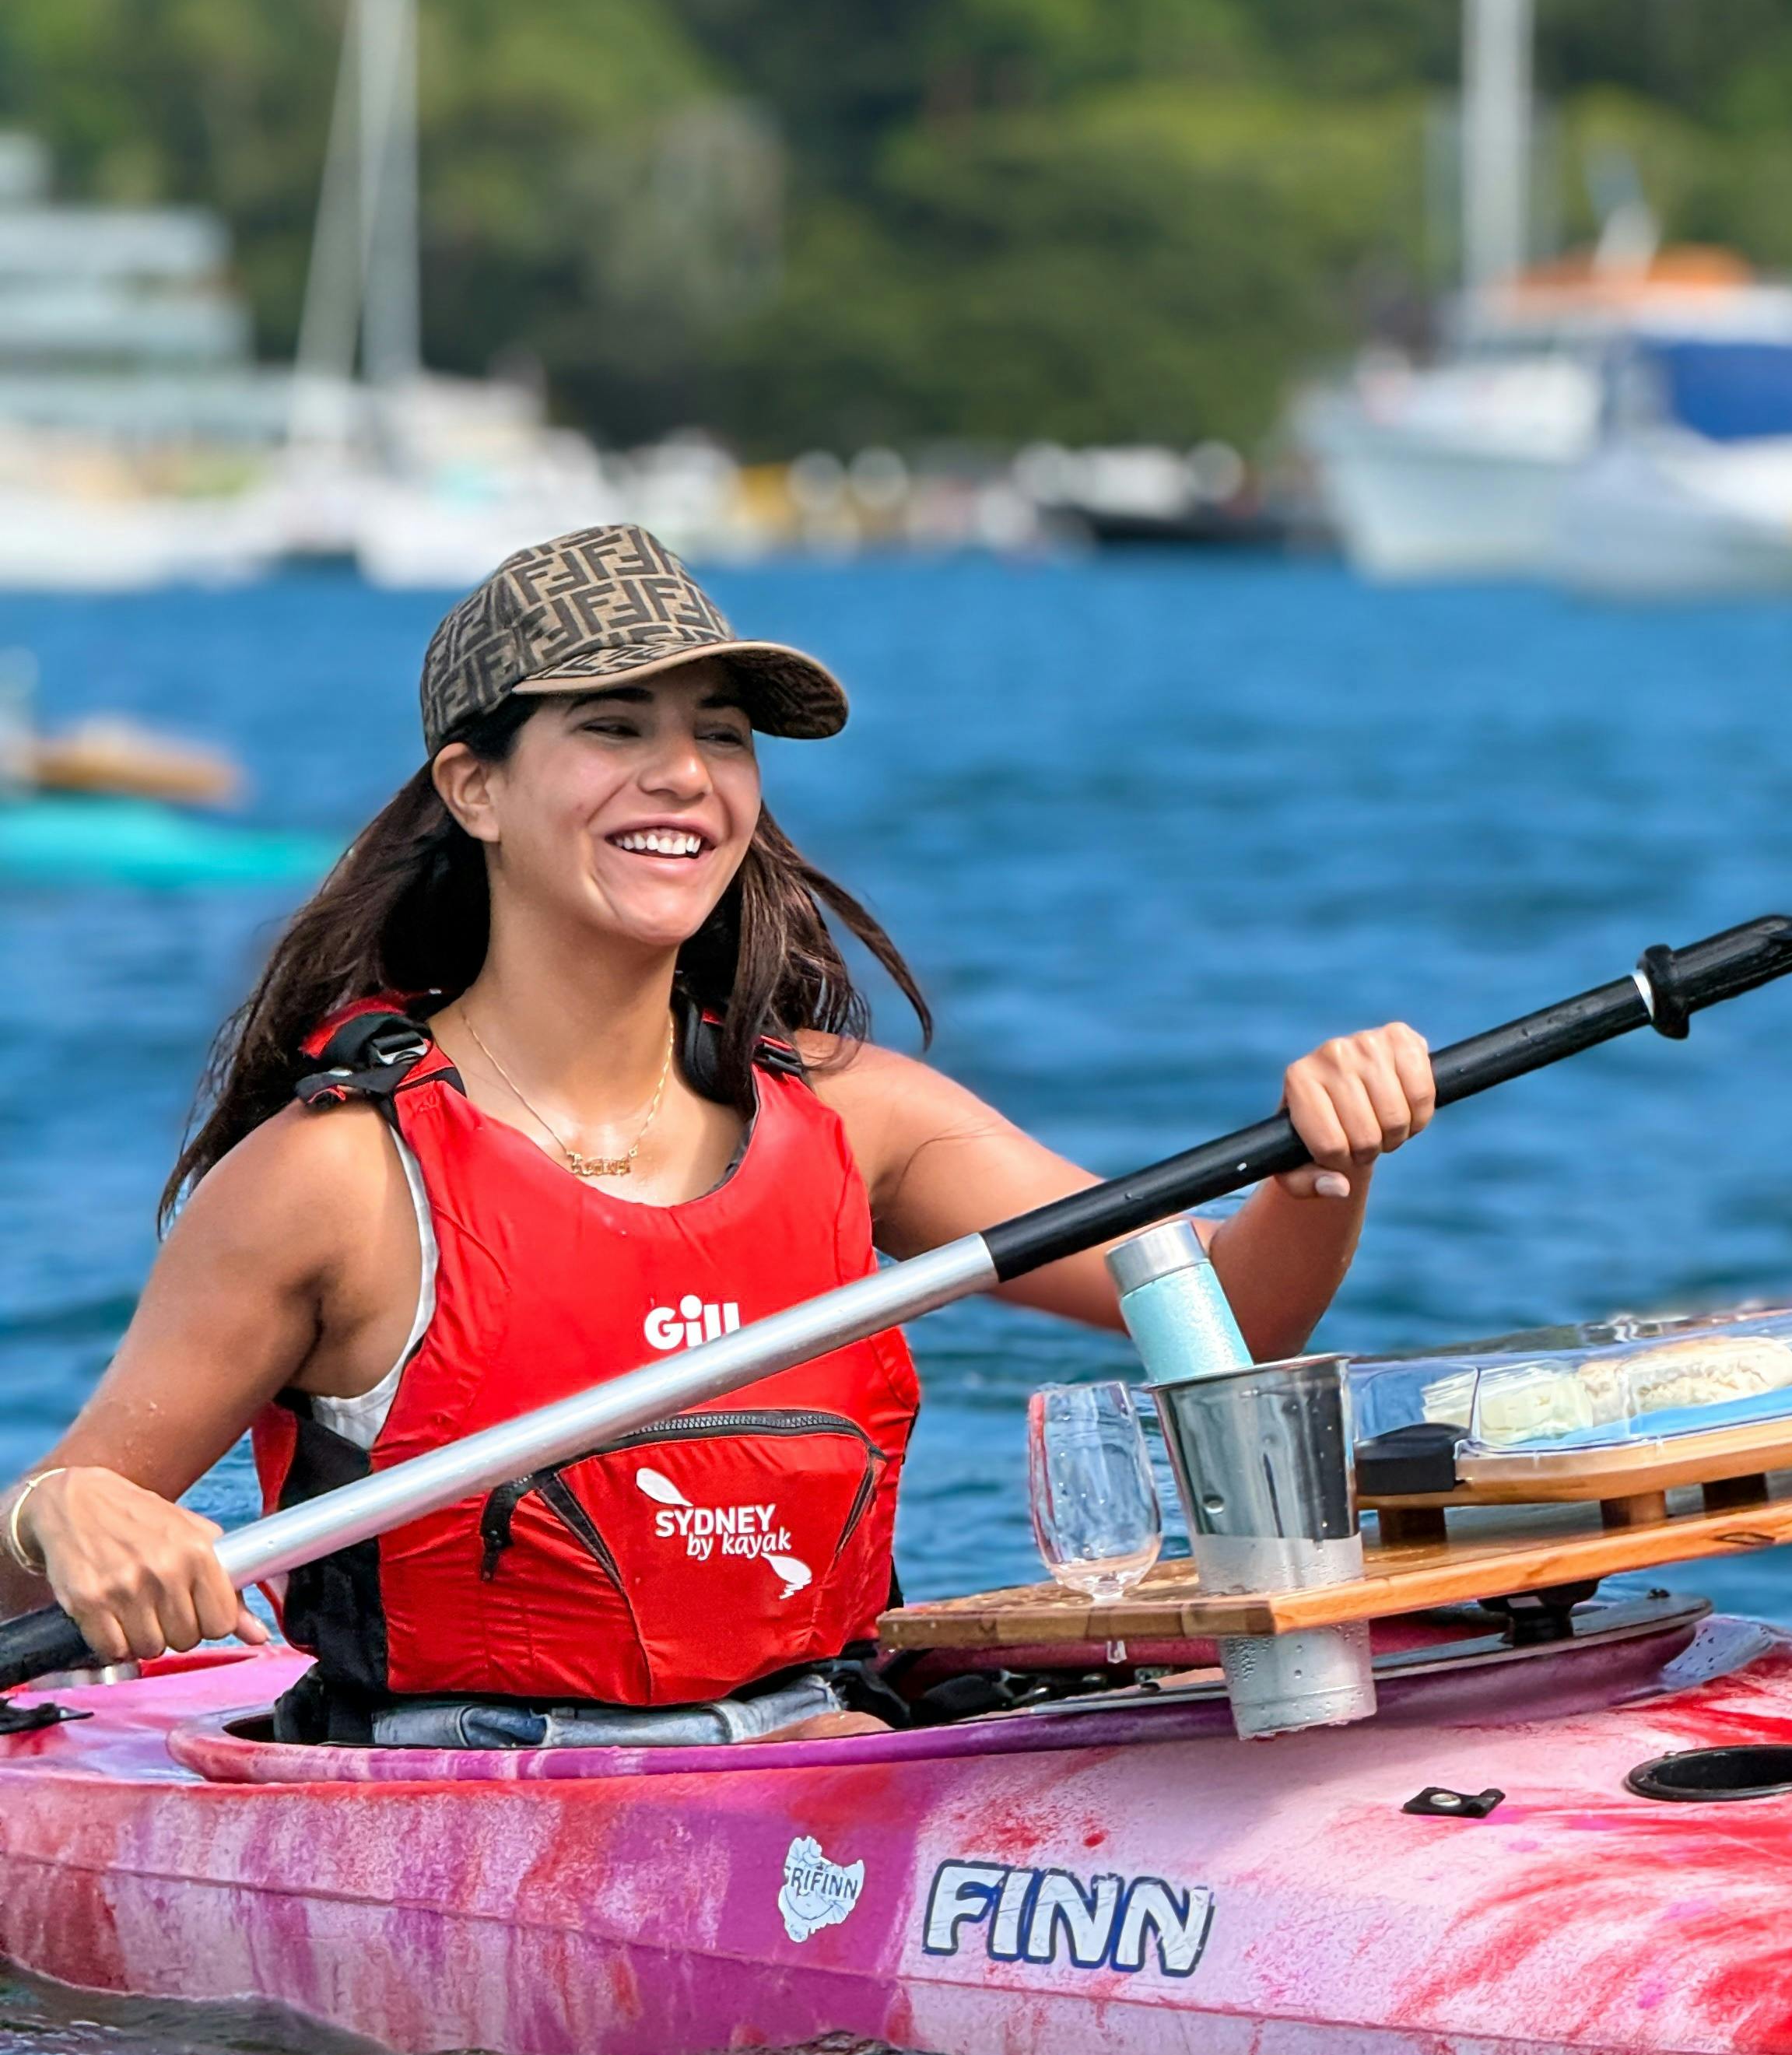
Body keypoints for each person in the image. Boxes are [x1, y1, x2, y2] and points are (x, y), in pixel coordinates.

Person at [0, 526, 1436, 1744]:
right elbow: (27, 1593)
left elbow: (1228, 1307)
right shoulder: (334, 1179)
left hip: (820, 1763)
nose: (684, 775)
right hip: (456, 1825)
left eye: (722, 738)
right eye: (615, 729)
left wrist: (1322, 1166)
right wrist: (63, 1511)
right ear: (475, 787)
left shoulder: (857, 1117)